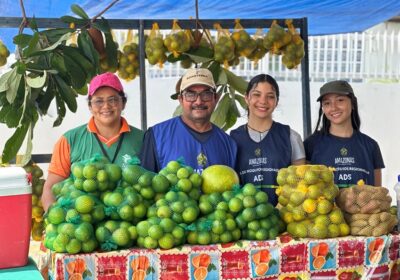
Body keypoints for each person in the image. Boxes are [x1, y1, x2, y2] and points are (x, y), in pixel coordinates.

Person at [41, 72, 144, 211]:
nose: (106, 106)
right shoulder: (70, 140)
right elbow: (50, 188)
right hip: (82, 224)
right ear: (90, 106)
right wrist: (53, 219)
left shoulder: (143, 139)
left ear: (123, 103)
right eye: (98, 101)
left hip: (131, 225)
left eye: (112, 99)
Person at [140, 68, 237, 173]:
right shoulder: (157, 136)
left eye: (206, 94)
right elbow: (145, 184)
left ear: (216, 98)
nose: (199, 101)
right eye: (190, 94)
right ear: (181, 99)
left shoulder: (229, 144)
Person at [230, 74, 305, 206]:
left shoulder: (291, 137)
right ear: (246, 98)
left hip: (283, 219)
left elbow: (300, 183)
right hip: (244, 219)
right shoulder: (232, 139)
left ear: (276, 102)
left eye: (270, 96)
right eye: (256, 95)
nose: (263, 101)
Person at [304, 80, 384, 187]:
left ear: (353, 104)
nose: (333, 107)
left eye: (340, 100)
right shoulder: (311, 145)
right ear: (323, 108)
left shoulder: (370, 146)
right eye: (327, 103)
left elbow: (377, 195)